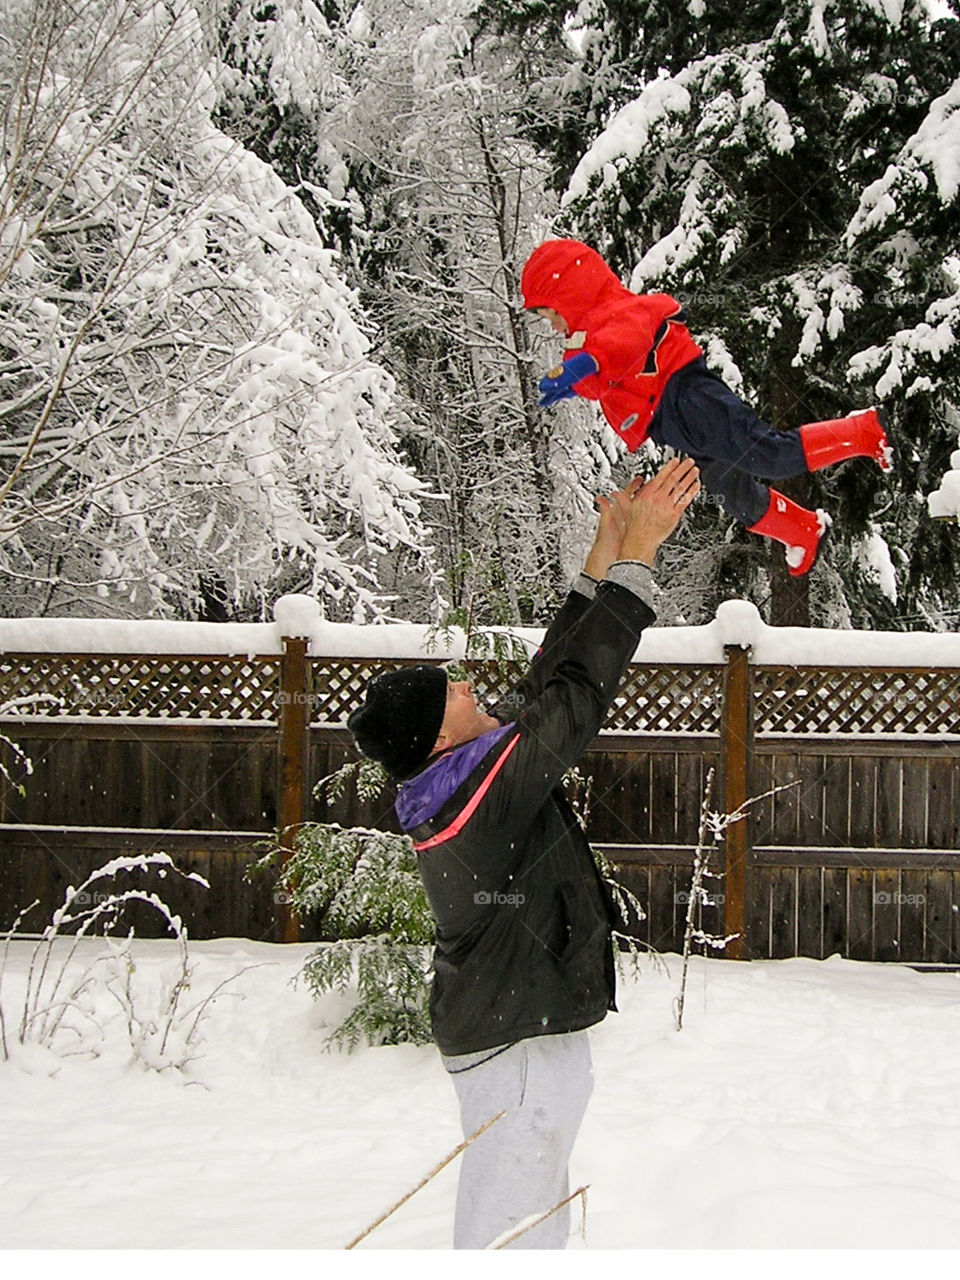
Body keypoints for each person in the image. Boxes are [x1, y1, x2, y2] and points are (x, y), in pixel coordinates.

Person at [347, 457, 700, 1250]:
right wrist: (641, 558)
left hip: (518, 1042)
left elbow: (547, 680)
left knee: (521, 1224)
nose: (472, 688)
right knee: (512, 1233)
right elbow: (577, 699)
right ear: (440, 734)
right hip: (519, 1053)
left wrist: (603, 554)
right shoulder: (478, 798)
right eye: (456, 692)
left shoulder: (458, 775)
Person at [521, 237, 892, 576]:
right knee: (728, 488)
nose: (554, 326)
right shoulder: (584, 336)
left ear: (573, 292)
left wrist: (585, 364)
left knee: (769, 455)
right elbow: (604, 379)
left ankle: (863, 430)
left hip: (688, 395)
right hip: (671, 420)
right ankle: (803, 529)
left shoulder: (622, 310)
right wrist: (575, 378)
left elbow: (624, 343)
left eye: (553, 314)